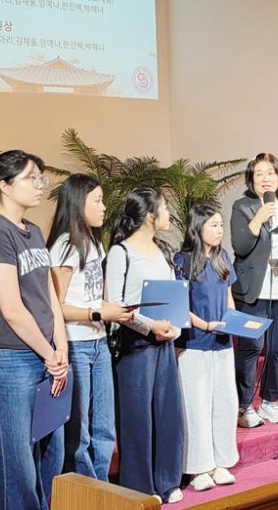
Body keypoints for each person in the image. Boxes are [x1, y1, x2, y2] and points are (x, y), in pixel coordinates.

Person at [0, 150, 69, 509]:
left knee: (49, 456)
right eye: (31, 178)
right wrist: (50, 353)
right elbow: (11, 309)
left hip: (44, 356)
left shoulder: (34, 231)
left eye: (41, 177)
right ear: (5, 186)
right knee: (16, 466)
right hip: (8, 360)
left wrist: (61, 350)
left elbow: (49, 296)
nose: (41, 185)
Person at [46, 173, 132, 481]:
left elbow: (95, 295)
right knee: (78, 431)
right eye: (97, 201)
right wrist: (98, 313)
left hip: (98, 343)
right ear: (78, 203)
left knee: (104, 426)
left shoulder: (94, 243)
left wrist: (116, 311)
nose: (104, 207)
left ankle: (103, 486)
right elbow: (55, 307)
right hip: (75, 344)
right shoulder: (64, 246)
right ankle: (85, 492)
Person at [105, 187, 184, 504]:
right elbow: (116, 304)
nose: (168, 214)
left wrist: (174, 327)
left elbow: (173, 295)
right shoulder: (120, 252)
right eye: (164, 208)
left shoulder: (163, 249)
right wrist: (150, 326)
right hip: (135, 344)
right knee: (137, 418)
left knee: (167, 413)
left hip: (164, 342)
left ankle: (167, 480)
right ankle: (140, 486)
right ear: (150, 215)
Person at [230, 153, 278, 428]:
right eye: (259, 173)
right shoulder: (243, 206)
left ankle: (270, 402)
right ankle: (244, 405)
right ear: (251, 180)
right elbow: (240, 247)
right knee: (251, 347)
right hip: (255, 290)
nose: (265, 178)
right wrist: (258, 219)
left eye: (270, 173)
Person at [174, 204, 239, 492]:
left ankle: (220, 462)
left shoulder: (223, 257)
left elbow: (229, 297)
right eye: (213, 225)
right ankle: (198, 467)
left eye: (221, 225)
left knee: (225, 403)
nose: (219, 230)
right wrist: (207, 325)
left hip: (222, 343)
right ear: (197, 227)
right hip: (194, 344)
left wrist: (232, 322)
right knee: (196, 406)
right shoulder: (183, 260)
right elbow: (181, 306)